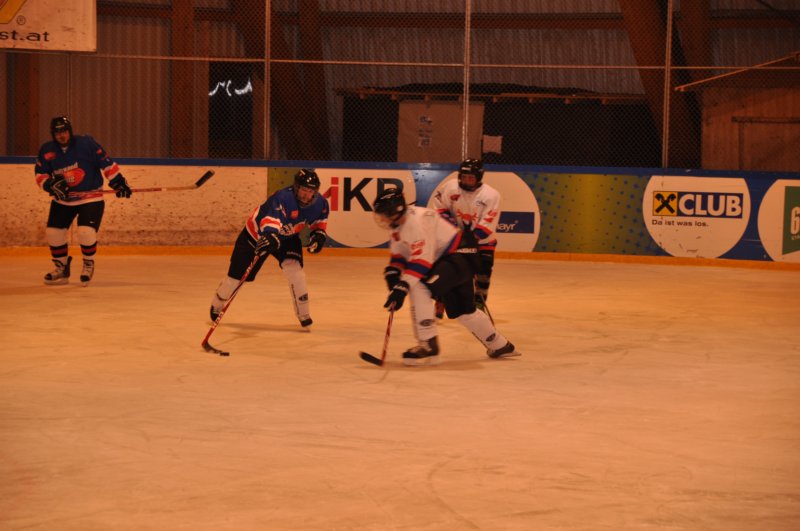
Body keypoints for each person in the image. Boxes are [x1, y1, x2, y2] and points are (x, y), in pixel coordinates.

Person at [373, 187, 519, 366]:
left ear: (395, 211)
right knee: (464, 312)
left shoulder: (418, 221)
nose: (382, 219)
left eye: (384, 214)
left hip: (459, 255)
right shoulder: (397, 226)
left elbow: (422, 262)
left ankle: (428, 343)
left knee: (420, 285)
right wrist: (392, 274)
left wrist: (402, 287)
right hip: (452, 258)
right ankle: (500, 345)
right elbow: (400, 256)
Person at [209, 169, 329, 327]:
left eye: (311, 191)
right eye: (304, 190)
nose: (307, 195)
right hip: (256, 235)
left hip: (287, 238)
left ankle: (303, 312)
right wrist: (270, 236)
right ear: (296, 187)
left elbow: (319, 221)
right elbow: (269, 221)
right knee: (236, 278)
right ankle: (218, 302)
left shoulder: (320, 203)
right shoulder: (282, 197)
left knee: (295, 271)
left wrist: (318, 235)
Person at [34, 115, 133, 286]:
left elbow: (106, 163)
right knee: (53, 233)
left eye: (64, 131)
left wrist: (117, 181)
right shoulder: (47, 150)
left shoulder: (86, 143)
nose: (62, 135)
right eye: (57, 132)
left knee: (85, 231)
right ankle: (62, 268)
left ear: (70, 131)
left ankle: (88, 263)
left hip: (90, 198)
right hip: (63, 200)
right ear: (53, 134)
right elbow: (40, 174)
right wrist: (50, 185)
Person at [430, 158, 501, 318]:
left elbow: (488, 221)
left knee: (483, 273)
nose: (466, 180)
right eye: (464, 177)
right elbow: (440, 209)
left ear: (479, 177)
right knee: (448, 270)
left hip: (483, 241)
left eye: (471, 177)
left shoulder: (491, 195)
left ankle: (479, 303)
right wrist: (454, 233)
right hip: (454, 238)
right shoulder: (450, 187)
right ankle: (441, 300)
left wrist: (470, 239)